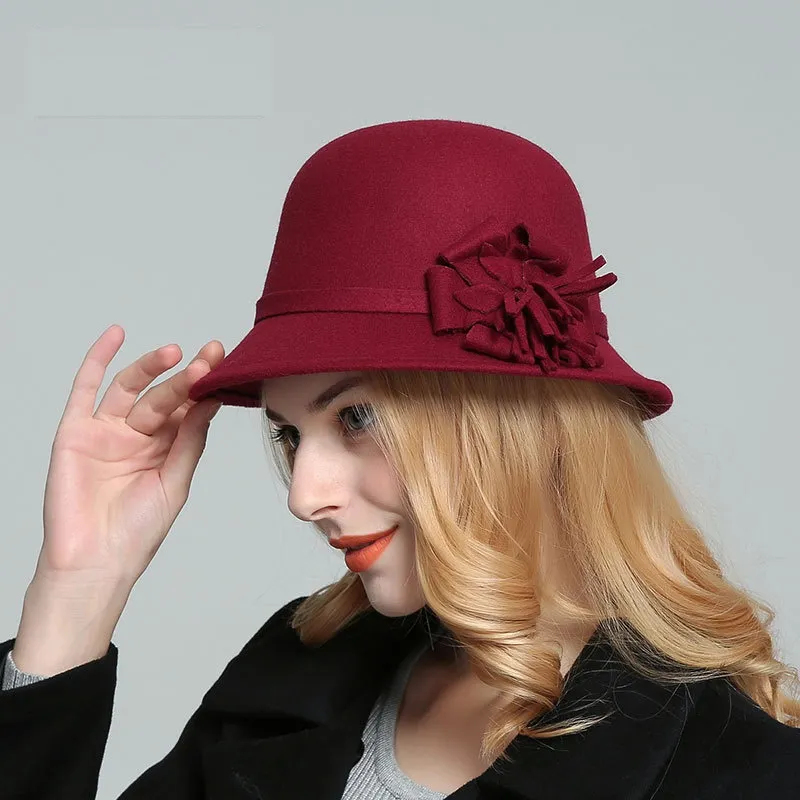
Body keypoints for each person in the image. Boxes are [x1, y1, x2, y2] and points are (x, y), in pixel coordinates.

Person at [2, 119, 799, 799]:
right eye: (289, 434)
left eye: (356, 417)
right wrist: (78, 592)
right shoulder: (292, 679)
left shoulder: (731, 764)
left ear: (517, 424)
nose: (303, 496)